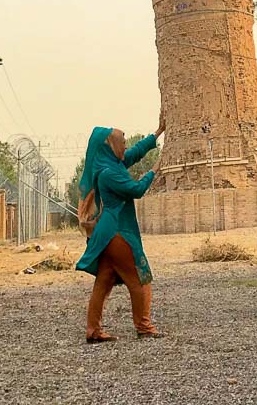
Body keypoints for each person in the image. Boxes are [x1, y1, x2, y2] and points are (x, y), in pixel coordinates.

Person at [75, 116, 165, 343]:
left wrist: (157, 132)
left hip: (108, 232)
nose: (125, 146)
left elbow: (133, 153)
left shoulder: (111, 164)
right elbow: (136, 189)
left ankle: (93, 330)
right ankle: (144, 326)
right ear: (110, 146)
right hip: (118, 232)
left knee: (104, 280)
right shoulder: (109, 173)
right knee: (140, 278)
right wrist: (154, 170)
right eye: (122, 142)